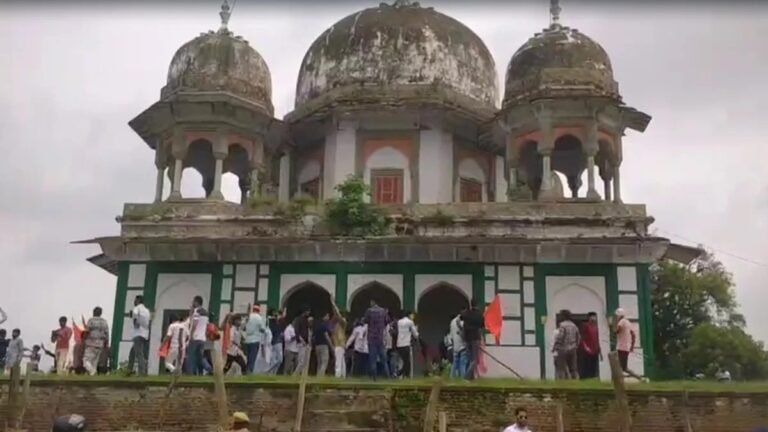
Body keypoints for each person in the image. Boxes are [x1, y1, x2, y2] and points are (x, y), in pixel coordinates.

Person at [614, 308, 645, 381]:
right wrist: (632, 346)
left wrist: (613, 325)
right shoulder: (628, 322)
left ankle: (639, 378)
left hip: (621, 347)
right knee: (621, 367)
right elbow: (633, 335)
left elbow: (616, 331)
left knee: (623, 367)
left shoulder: (621, 322)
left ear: (619, 315)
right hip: (627, 347)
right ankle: (638, 378)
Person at [363, 299, 390, 380]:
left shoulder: (369, 311)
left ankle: (374, 376)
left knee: (373, 358)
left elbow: (365, 320)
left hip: (371, 338)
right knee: (383, 358)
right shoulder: (383, 311)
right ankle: (387, 375)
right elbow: (387, 321)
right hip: (380, 337)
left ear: (373, 302)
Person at [460, 299, 484, 380]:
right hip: (475, 338)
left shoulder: (466, 313)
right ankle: (466, 376)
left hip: (467, 338)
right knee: (475, 360)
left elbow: (461, 318)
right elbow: (482, 325)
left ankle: (471, 377)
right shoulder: (479, 314)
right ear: (477, 305)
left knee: (470, 359)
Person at [553, 309, 580, 380]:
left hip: (563, 349)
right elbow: (578, 337)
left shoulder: (562, 325)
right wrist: (576, 346)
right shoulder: (574, 325)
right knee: (573, 368)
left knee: (561, 367)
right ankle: (575, 381)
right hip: (573, 349)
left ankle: (562, 381)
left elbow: (560, 337)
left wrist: (555, 346)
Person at [185, 296, 209, 375]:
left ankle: (190, 373)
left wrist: (191, 335)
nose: (192, 303)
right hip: (202, 338)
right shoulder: (205, 312)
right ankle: (208, 368)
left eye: (193, 302)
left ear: (196, 302)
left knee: (191, 357)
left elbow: (194, 324)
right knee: (200, 357)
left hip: (195, 337)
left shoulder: (197, 311)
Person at [128, 295, 151, 376]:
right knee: (132, 353)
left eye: (135, 300)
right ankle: (129, 370)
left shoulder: (137, 308)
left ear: (138, 301)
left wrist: (135, 321)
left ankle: (142, 372)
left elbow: (134, 314)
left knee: (139, 354)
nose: (134, 302)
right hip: (145, 334)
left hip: (138, 334)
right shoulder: (147, 310)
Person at [83, 307, 109, 376]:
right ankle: (93, 376)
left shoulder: (91, 321)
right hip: (100, 343)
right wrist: (106, 344)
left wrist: (84, 340)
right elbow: (107, 334)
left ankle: (93, 371)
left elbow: (87, 331)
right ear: (100, 313)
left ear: (94, 312)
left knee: (86, 361)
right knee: (95, 362)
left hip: (91, 343)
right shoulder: (104, 322)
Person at [395, 310, 419, 378]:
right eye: (412, 315)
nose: (413, 317)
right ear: (409, 315)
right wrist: (416, 332)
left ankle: (404, 374)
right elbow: (415, 334)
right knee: (407, 361)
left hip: (399, 343)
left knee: (405, 361)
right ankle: (400, 373)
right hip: (406, 343)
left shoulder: (399, 322)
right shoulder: (410, 322)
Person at [243, 305, 265, 374]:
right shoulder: (259, 318)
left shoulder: (248, 316)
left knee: (248, 357)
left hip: (247, 339)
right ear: (259, 310)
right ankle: (249, 371)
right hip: (255, 339)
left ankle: (247, 370)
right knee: (253, 357)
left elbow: (243, 326)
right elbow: (262, 329)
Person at [579, 311, 601, 379]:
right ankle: (585, 377)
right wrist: (585, 347)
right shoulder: (585, 325)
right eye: (592, 317)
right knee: (586, 365)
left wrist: (599, 350)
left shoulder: (596, 327)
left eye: (594, 317)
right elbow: (582, 338)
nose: (593, 318)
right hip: (587, 349)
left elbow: (597, 338)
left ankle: (593, 377)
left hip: (595, 349)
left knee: (593, 365)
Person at [329, 302, 348, 378]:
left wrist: (333, 304)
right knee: (342, 361)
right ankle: (343, 375)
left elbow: (338, 314)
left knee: (338, 361)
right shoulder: (336, 326)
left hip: (340, 344)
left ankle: (338, 375)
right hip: (339, 344)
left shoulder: (342, 323)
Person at [292, 307, 312, 376]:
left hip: (306, 343)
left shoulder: (306, 320)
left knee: (306, 363)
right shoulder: (298, 320)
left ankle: (304, 377)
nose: (309, 313)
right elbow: (297, 331)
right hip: (301, 343)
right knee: (301, 362)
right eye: (308, 311)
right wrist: (301, 340)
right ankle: (294, 375)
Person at [313, 311, 333, 376]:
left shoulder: (317, 325)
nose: (328, 317)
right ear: (324, 316)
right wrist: (331, 346)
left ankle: (317, 378)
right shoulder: (324, 325)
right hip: (323, 346)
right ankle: (320, 379)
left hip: (317, 346)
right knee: (324, 363)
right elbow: (326, 336)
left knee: (319, 363)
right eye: (327, 316)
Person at [266, 308, 285, 374]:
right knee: (279, 360)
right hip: (277, 341)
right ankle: (268, 371)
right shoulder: (271, 321)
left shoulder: (274, 321)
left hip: (276, 341)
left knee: (274, 360)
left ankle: (272, 373)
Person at [449, 311, 467, 378]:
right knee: (463, 363)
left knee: (455, 363)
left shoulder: (452, 322)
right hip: (462, 345)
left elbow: (451, 336)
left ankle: (452, 378)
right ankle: (463, 377)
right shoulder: (462, 323)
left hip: (455, 345)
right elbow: (464, 333)